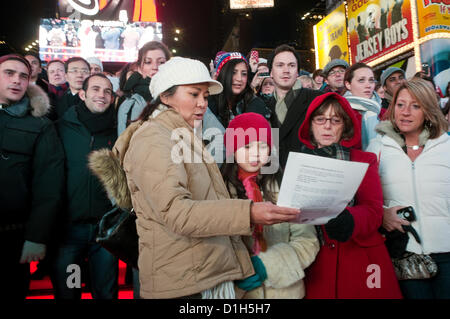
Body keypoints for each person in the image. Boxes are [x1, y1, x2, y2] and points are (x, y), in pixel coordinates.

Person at [92, 57, 300, 299]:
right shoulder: (153, 138)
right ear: (165, 96)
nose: (202, 103)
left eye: (205, 96)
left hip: (198, 273)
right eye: (193, 94)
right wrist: (249, 213)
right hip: (182, 282)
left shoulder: (182, 133)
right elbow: (176, 212)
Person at [298, 92, 402, 299]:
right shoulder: (298, 164)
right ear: (310, 126)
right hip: (317, 264)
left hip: (362, 260)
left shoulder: (365, 160)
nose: (327, 126)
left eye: (335, 120)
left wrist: (351, 219)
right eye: (320, 119)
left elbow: (373, 210)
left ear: (344, 126)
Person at [367, 79, 450, 299]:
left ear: (428, 110)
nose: (405, 112)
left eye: (415, 106)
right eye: (400, 104)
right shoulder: (377, 148)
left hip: (447, 254)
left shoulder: (445, 146)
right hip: (404, 253)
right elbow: (364, 199)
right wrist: (383, 214)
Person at [221, 112, 319, 299]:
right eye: (247, 146)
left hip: (285, 292)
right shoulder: (221, 190)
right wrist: (237, 275)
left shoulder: (285, 186)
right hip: (242, 294)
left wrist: (268, 265)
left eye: (263, 146)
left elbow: (308, 240)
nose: (255, 154)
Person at [0, 54, 65, 299]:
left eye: (23, 76)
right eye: (9, 73)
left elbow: (49, 186)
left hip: (12, 238)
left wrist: (37, 237)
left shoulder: (41, 126)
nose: (17, 80)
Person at [52, 74, 119, 299]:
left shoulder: (119, 131)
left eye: (107, 91)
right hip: (69, 232)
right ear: (82, 94)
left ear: (113, 98)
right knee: (70, 291)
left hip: (105, 231)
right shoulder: (60, 128)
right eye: (96, 89)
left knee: (106, 293)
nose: (101, 95)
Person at [265, 44, 322, 168]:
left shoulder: (317, 99)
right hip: (274, 178)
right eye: (280, 65)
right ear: (271, 72)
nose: (286, 70)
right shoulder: (264, 106)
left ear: (297, 72)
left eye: (291, 65)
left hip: (308, 173)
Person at [117, 41, 170, 136]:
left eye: (161, 62)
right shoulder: (128, 102)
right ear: (140, 68)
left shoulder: (182, 95)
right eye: (148, 62)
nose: (155, 67)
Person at [209, 52, 271, 128]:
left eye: (244, 74)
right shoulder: (208, 104)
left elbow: (272, 137)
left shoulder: (256, 104)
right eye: (233, 72)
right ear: (222, 75)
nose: (239, 79)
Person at [343, 62, 382, 150]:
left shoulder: (384, 112)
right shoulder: (340, 112)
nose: (368, 85)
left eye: (371, 80)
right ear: (348, 84)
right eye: (361, 80)